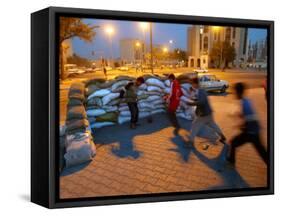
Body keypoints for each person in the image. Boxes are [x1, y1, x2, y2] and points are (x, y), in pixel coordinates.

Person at [226, 82, 268, 166]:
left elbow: (250, 119)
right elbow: (248, 115)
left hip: (252, 133)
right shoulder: (246, 100)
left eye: (234, 92)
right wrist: (238, 115)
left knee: (233, 142)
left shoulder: (245, 103)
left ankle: (231, 161)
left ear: (238, 92)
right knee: (262, 152)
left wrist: (240, 125)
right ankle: (231, 160)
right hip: (252, 132)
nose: (234, 94)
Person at [186, 77, 226, 148]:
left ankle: (191, 142)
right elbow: (200, 99)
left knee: (194, 126)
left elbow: (201, 102)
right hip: (208, 113)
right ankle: (222, 136)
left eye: (192, 83)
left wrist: (191, 103)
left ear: (195, 84)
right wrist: (194, 99)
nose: (191, 85)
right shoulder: (200, 90)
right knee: (214, 125)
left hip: (203, 114)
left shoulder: (200, 91)